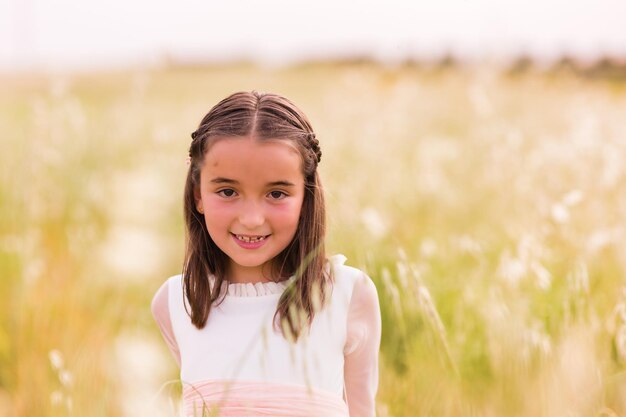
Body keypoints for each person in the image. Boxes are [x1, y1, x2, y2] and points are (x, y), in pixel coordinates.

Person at [151, 91, 381, 417]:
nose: (251, 219)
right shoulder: (177, 301)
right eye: (228, 191)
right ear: (197, 194)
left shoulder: (347, 295)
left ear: (306, 196)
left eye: (276, 193)